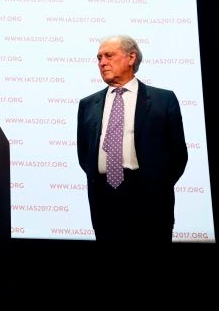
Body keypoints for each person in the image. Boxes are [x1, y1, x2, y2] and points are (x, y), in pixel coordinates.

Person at [77, 35, 188, 243]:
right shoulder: (87, 104)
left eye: (109, 55)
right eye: (99, 58)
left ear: (131, 57)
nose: (102, 62)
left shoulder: (163, 100)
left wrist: (157, 186)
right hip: (104, 199)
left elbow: (178, 155)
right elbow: (84, 155)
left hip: (150, 199)